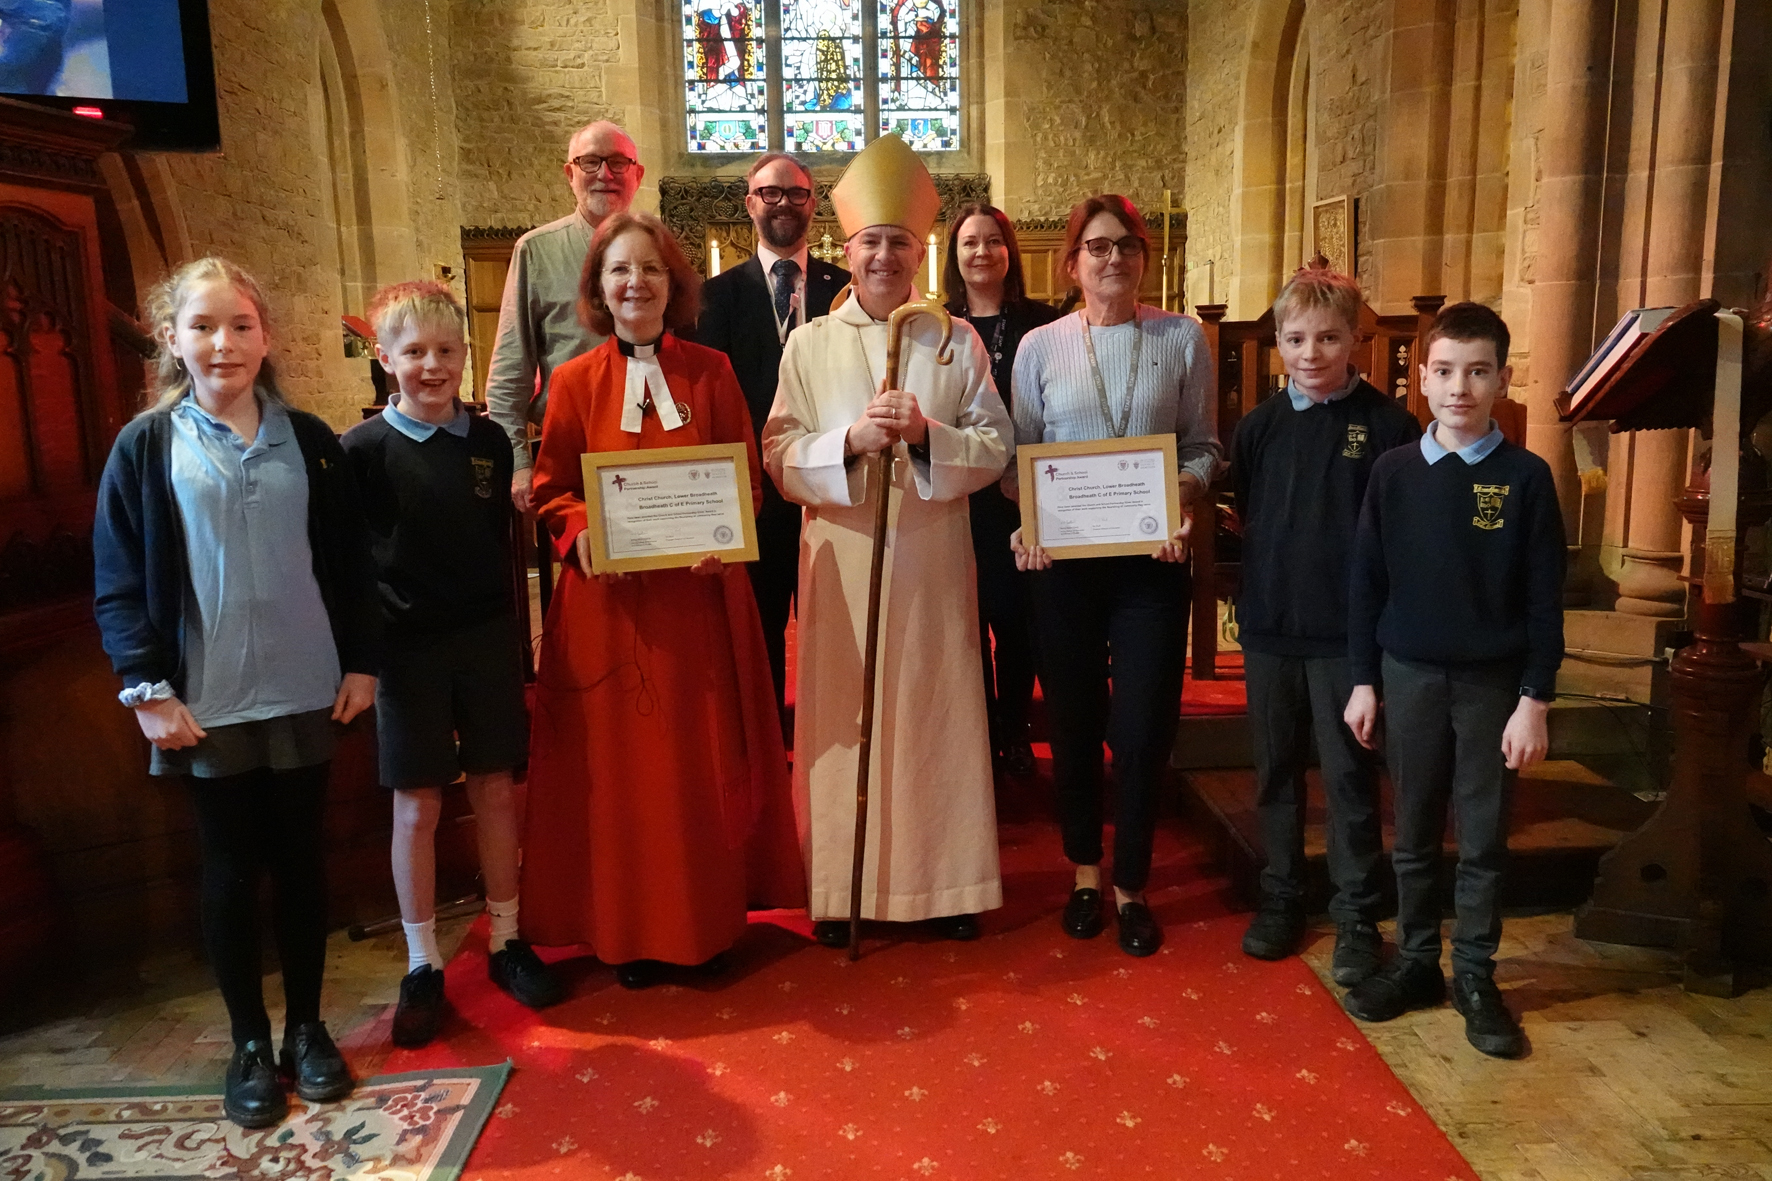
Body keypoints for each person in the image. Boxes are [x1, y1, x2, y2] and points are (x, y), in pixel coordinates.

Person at [92, 258, 379, 1127]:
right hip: (205, 699)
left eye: (242, 325)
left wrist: (361, 661)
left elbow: (350, 563)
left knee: (300, 861)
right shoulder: (147, 446)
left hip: (303, 686)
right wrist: (147, 686)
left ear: (267, 337)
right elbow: (117, 577)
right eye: (205, 326)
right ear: (173, 339)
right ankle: (249, 1040)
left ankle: (307, 1030)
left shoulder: (312, 441)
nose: (224, 343)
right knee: (227, 868)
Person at [520, 212, 805, 990]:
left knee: (694, 767)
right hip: (609, 612)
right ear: (598, 288)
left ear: (674, 286)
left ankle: (705, 926)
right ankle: (627, 931)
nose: (635, 283)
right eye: (619, 271)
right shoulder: (575, 382)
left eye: (650, 270)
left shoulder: (711, 372)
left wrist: (728, 528)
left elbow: (744, 479)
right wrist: (578, 531)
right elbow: (552, 492)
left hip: (697, 603)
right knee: (622, 777)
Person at [763, 133, 1011, 947]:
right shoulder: (808, 345)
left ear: (917, 253)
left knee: (933, 712)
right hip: (840, 557)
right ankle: (842, 888)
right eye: (870, 241)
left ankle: (946, 883)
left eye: (898, 243)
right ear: (847, 248)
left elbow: (996, 444)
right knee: (847, 717)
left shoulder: (954, 341)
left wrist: (930, 433)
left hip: (932, 557)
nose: (883, 256)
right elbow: (777, 454)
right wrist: (848, 444)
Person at [341, 281, 564, 1048]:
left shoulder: (489, 442)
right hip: (406, 651)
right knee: (418, 805)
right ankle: (421, 960)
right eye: (414, 353)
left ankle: (506, 935)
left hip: (485, 639)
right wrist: (360, 656)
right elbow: (348, 563)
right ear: (385, 358)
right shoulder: (362, 451)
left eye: (445, 351)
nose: (431, 366)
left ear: (464, 356)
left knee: (498, 789)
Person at [1342, 301, 1564, 1058]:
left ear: (1502, 378)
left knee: (1481, 837)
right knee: (1411, 832)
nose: (1459, 388)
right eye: (1444, 371)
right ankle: (1414, 960)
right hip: (1406, 673)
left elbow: (1543, 598)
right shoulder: (1394, 472)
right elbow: (1366, 584)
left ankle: (1474, 971)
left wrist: (1534, 698)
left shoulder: (1526, 478)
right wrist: (1364, 680)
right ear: (1422, 380)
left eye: (1477, 372)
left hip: (1491, 685)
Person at [1009, 194, 1219, 958]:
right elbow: (1017, 462)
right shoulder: (1039, 347)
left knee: (1139, 729)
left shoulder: (1181, 338)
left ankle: (1133, 880)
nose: (1113, 259)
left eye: (1127, 246)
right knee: (1072, 723)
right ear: (1072, 263)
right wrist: (1029, 521)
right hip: (1063, 566)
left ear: (1144, 257)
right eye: (1097, 247)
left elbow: (1203, 446)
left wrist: (1181, 500)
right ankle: (1086, 873)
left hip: (1150, 564)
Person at [1232, 263, 1420, 985]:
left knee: (1347, 778)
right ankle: (1281, 897)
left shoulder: (1387, 425)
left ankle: (1355, 914)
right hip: (1272, 628)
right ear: (1278, 341)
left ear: (1356, 340)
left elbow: (1392, 536)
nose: (1312, 353)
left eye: (1329, 337)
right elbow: (1249, 507)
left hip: (1346, 639)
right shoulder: (1260, 427)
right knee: (1276, 772)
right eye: (1297, 338)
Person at [692, 152, 850, 726]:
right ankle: (765, 734)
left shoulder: (846, 288)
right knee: (757, 626)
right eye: (771, 193)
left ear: (814, 203)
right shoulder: (711, 298)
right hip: (749, 494)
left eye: (797, 193)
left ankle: (826, 729)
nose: (784, 202)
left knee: (832, 622)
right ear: (750, 203)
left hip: (832, 487)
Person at [942, 202, 1059, 778]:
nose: (982, 252)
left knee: (1017, 621)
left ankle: (1013, 731)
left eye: (992, 241)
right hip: (960, 497)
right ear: (954, 255)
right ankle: (977, 734)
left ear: (1009, 252)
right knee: (967, 619)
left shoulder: (1045, 324)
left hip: (1023, 495)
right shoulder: (933, 327)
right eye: (969, 242)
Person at [486, 120, 645, 514]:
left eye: (618, 163)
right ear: (569, 173)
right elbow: (509, 373)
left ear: (637, 175)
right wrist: (519, 464)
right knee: (584, 565)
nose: (604, 175)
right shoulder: (536, 251)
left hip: (648, 443)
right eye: (590, 162)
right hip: (570, 449)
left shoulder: (656, 248)